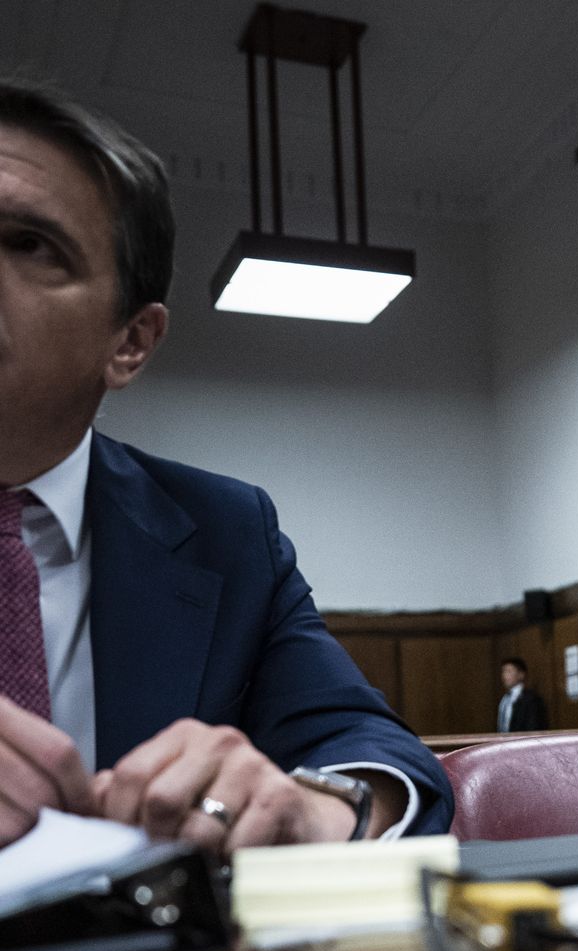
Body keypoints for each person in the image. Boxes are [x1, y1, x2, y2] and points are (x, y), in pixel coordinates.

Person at [0, 81, 450, 853]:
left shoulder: (226, 531)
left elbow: (371, 753)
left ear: (130, 342)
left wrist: (312, 808)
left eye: (30, 243)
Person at [496, 657, 549, 733]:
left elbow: (534, 726)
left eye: (509, 671)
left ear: (521, 674)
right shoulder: (505, 698)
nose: (504, 675)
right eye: (503, 671)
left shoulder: (532, 699)